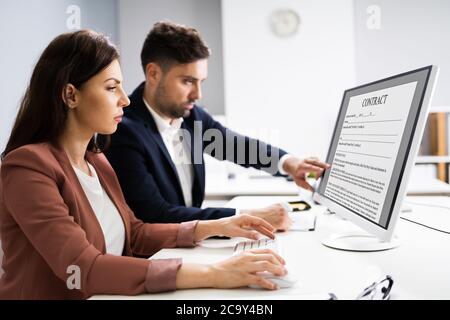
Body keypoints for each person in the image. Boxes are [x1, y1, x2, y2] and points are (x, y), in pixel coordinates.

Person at [0, 30, 288, 299]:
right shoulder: (28, 168)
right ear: (71, 95)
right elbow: (82, 268)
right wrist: (214, 272)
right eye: (112, 88)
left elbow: (134, 234)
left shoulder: (96, 159)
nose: (125, 100)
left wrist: (216, 225)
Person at [105, 21, 330, 230]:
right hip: (157, 257)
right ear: (153, 73)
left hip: (192, 245)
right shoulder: (124, 131)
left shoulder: (192, 118)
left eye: (200, 82)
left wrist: (290, 164)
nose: (198, 94)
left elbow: (236, 145)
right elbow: (156, 215)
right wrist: (246, 217)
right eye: (187, 81)